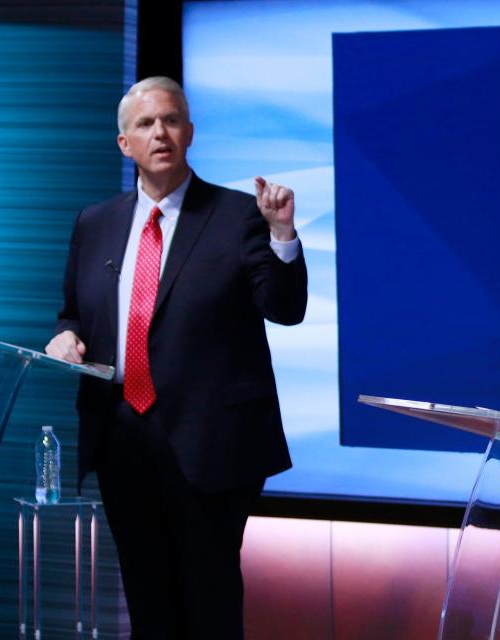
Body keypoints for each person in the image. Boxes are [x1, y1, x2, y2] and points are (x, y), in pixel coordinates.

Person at [46, 76, 307, 639]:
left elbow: (284, 309)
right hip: (121, 441)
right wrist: (64, 339)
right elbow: (73, 311)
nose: (159, 132)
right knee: (147, 601)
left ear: (189, 133)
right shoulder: (95, 223)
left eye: (169, 120)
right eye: (144, 123)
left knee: (208, 602)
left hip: (211, 446)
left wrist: (283, 234)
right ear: (124, 143)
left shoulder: (238, 215)